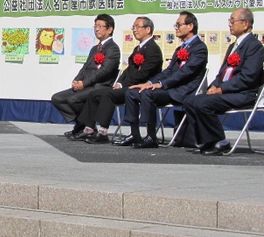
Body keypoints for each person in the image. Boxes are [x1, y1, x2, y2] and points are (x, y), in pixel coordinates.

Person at [118, 11, 208, 148]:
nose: (176, 27)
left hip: (184, 91)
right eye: (176, 24)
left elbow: (186, 72)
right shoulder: (179, 48)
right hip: (170, 88)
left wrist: (161, 84)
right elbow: (169, 71)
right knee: (132, 92)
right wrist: (149, 83)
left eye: (179, 24)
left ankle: (151, 136)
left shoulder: (200, 48)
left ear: (190, 26)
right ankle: (134, 133)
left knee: (148, 94)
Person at [183, 8, 264, 156]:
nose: (230, 25)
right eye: (230, 21)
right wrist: (214, 85)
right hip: (226, 91)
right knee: (190, 101)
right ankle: (207, 141)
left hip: (243, 93)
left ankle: (221, 141)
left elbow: (248, 77)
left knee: (203, 104)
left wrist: (222, 89)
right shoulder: (233, 46)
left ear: (245, 24)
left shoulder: (254, 46)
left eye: (233, 21)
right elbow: (222, 73)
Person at [74, 16, 163, 144]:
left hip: (141, 87)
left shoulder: (153, 49)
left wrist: (123, 85)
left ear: (148, 29)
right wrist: (119, 82)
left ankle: (103, 131)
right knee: (94, 94)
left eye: (138, 27)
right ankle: (88, 128)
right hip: (129, 85)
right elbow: (129, 70)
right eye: (134, 27)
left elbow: (144, 74)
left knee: (109, 94)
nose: (135, 30)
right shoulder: (138, 48)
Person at [51, 14, 121, 138]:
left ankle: (85, 125)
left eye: (100, 26)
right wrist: (77, 80)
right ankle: (84, 124)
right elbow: (85, 67)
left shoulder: (113, 49)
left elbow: (104, 72)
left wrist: (84, 83)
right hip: (86, 85)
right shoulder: (95, 48)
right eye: (95, 26)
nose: (97, 29)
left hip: (99, 87)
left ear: (110, 29)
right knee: (57, 98)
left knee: (73, 99)